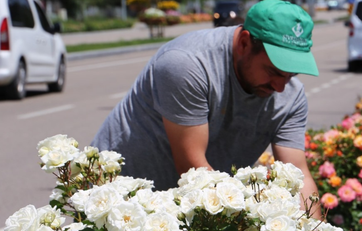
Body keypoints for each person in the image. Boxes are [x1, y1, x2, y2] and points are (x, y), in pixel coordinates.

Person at [91, 0, 321, 217]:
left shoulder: (291, 95)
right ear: (244, 43)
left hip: (188, 208)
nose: (281, 87)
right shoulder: (186, 64)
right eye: (274, 71)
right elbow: (192, 168)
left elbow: (299, 176)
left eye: (292, 74)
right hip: (117, 198)